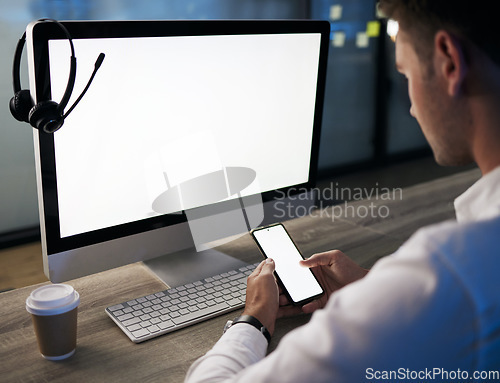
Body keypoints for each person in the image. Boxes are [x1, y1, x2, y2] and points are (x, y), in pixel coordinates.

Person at [185, 0, 500, 381]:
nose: (413, 109)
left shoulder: (445, 272)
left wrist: (253, 321)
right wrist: (376, 287)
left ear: (449, 62)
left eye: (405, 74)